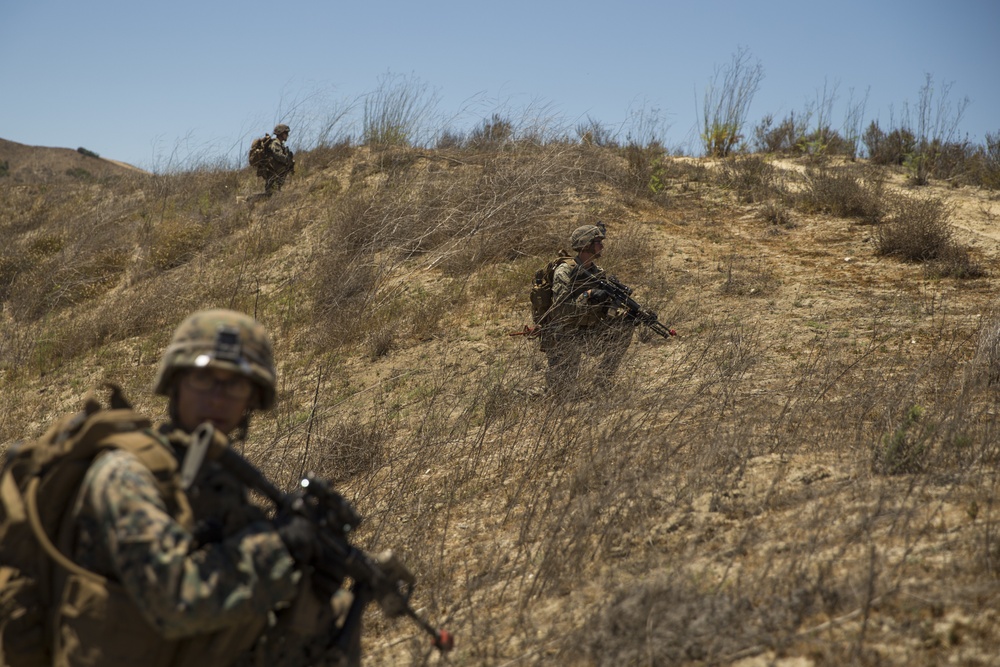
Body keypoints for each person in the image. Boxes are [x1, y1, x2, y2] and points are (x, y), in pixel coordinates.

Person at [55, 309, 337, 666]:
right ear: (175, 384)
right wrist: (279, 548)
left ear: (251, 400)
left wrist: (306, 590)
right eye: (203, 378)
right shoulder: (126, 474)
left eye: (235, 384)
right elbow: (173, 599)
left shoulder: (215, 481)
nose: (218, 397)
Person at [541, 223, 635, 394]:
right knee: (561, 393)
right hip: (564, 334)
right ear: (586, 244)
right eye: (598, 241)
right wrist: (588, 295)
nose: (602, 246)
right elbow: (561, 310)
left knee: (625, 326)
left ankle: (602, 380)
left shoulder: (598, 273)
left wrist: (622, 312)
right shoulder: (565, 271)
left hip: (588, 331)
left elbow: (605, 309)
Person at [257, 123, 295, 196]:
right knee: (270, 193)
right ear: (280, 133)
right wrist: (287, 159)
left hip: (275, 173)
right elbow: (278, 156)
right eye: (286, 133)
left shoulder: (280, 144)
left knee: (273, 192)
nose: (287, 135)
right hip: (273, 172)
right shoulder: (275, 143)